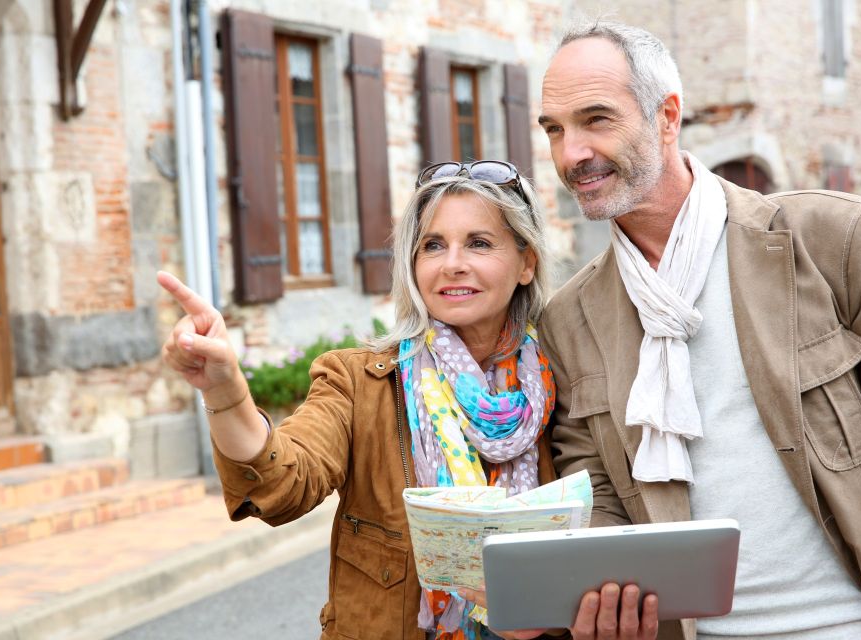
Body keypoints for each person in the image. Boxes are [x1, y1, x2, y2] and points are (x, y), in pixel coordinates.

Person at [535, 21, 861, 640]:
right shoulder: (569, 320)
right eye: (554, 130)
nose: (571, 154)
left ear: (667, 117)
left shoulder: (842, 241)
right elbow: (597, 497)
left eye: (597, 119)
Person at [158, 161, 566, 640]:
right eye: (433, 245)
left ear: (526, 263)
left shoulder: (567, 378)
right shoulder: (358, 382)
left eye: (478, 242)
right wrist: (226, 393)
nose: (452, 263)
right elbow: (283, 483)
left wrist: (547, 610)